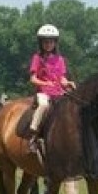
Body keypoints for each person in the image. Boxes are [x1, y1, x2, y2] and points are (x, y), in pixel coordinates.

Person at [28, 24, 76, 152]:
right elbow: (33, 79)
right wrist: (45, 84)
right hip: (43, 93)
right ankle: (33, 134)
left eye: (51, 41)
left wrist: (68, 83)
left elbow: (62, 79)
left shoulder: (60, 60)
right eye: (45, 42)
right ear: (41, 43)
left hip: (58, 92)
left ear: (55, 43)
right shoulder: (37, 58)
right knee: (43, 106)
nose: (48, 44)